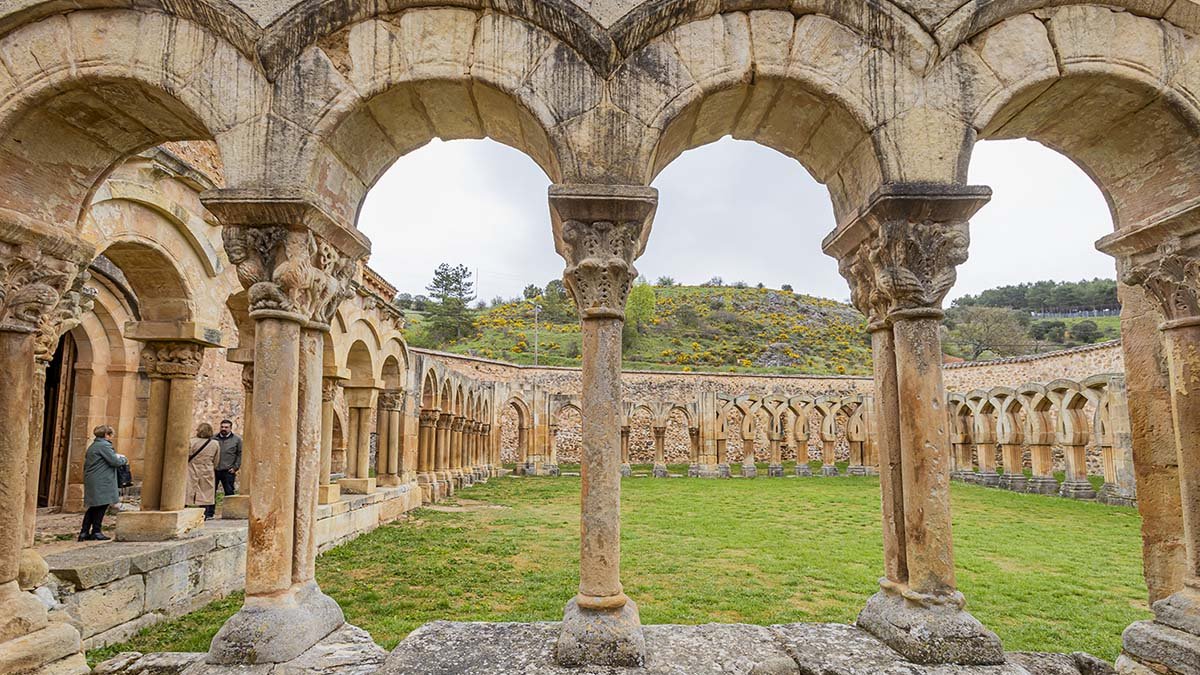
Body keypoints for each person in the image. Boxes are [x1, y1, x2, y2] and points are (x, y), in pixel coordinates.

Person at [81, 425, 127, 541]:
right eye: (111, 435)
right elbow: (115, 461)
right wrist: (124, 459)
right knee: (101, 506)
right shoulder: (104, 446)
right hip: (101, 480)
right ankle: (96, 531)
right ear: (106, 435)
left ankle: (85, 531)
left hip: (95, 478)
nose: (112, 437)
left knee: (94, 507)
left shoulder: (95, 445)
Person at [186, 423, 220, 519]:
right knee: (206, 490)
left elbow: (187, 455)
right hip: (207, 468)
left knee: (190, 489)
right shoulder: (214, 443)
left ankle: (187, 508)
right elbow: (217, 459)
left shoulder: (192, 442)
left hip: (192, 467)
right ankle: (205, 513)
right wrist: (213, 466)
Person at [214, 419, 242, 497]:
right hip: (214, 470)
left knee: (229, 492)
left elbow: (240, 454)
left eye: (226, 427)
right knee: (210, 493)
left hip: (228, 471)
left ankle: (230, 509)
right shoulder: (213, 438)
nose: (223, 429)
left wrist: (235, 467)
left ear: (230, 428)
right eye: (222, 427)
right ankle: (210, 509)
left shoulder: (237, 440)